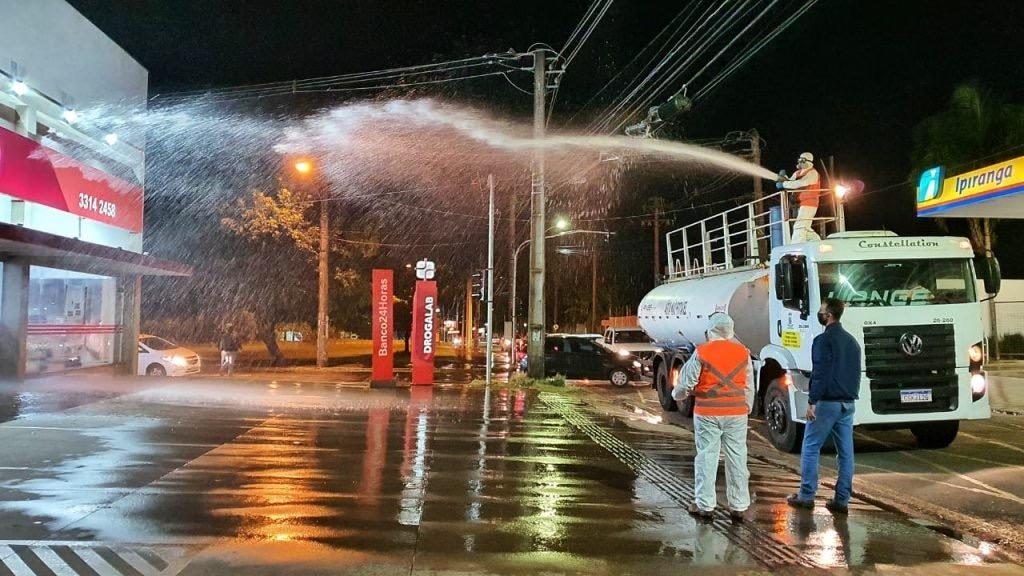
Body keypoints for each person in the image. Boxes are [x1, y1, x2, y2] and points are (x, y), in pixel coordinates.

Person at [672, 313, 755, 522]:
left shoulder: (702, 351)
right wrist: (747, 407)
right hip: (736, 414)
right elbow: (749, 386)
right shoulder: (743, 352)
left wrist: (677, 395)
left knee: (707, 457)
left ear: (710, 329)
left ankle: (705, 505)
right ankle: (739, 506)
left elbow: (686, 383)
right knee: (737, 457)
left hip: (708, 413)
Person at [788, 298, 862, 514]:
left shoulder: (823, 340)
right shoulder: (852, 341)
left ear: (828, 315)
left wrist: (812, 402)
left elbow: (820, 373)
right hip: (847, 403)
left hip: (827, 403)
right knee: (846, 453)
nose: (819, 313)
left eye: (821, 311)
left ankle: (806, 495)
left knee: (811, 447)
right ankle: (841, 500)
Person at [776, 152, 822, 243]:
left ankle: (796, 250)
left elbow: (801, 183)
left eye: (802, 160)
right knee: (806, 228)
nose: (799, 162)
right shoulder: (797, 173)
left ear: (807, 162)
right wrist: (784, 178)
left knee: (799, 226)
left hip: (809, 204)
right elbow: (791, 182)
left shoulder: (813, 173)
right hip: (797, 204)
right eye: (799, 160)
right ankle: (817, 243)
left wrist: (784, 184)